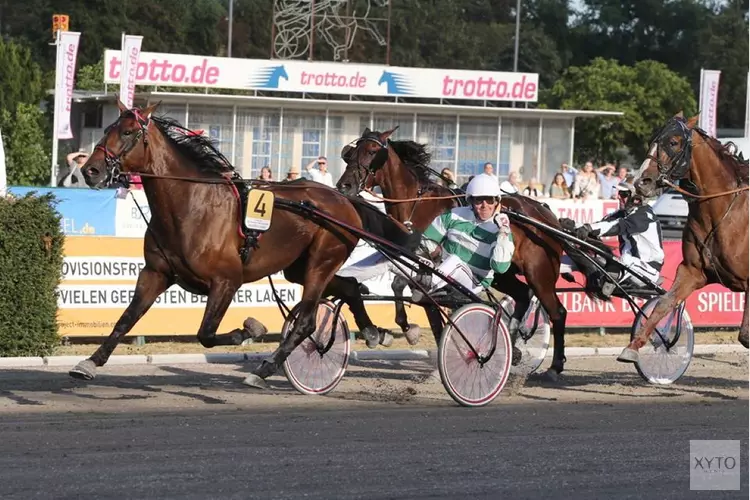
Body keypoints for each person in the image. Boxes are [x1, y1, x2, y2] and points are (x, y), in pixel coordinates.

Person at [410, 174, 515, 302]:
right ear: (471, 201)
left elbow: (500, 267)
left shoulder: (500, 228)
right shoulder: (454, 215)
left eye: (489, 200)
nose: (484, 205)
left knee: (455, 261)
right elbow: (426, 244)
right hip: (444, 273)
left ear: (497, 201)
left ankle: (426, 287)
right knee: (395, 257)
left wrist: (503, 231)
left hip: (473, 284)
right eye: (479, 200)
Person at [560, 182, 664, 297]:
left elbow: (616, 227)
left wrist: (588, 228)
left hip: (648, 270)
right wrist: (574, 226)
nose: (618, 197)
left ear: (636, 198)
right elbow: (600, 225)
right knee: (587, 257)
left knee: (626, 260)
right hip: (627, 267)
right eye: (619, 193)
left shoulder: (644, 215)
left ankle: (609, 281)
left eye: (623, 194)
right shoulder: (623, 213)